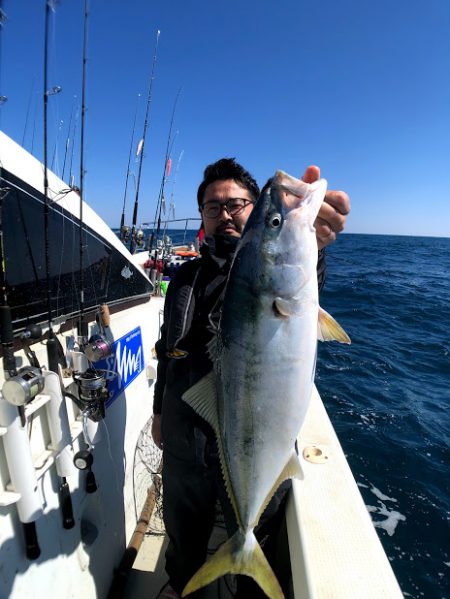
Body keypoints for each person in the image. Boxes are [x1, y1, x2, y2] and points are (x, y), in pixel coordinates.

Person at [152, 158, 350, 598]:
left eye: (237, 204)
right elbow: (167, 350)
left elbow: (292, 290)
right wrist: (159, 412)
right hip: (184, 440)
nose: (224, 214)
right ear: (201, 217)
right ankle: (183, 587)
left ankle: (247, 572)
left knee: (258, 539)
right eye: (212, 207)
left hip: (253, 435)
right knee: (183, 538)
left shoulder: (258, 269)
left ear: (250, 210)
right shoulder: (184, 275)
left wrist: (312, 245)